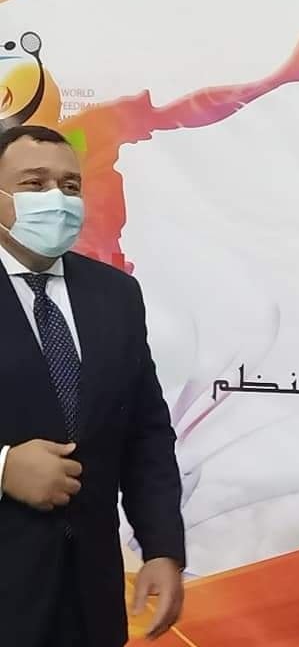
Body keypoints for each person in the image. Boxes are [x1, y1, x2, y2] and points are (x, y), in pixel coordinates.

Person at [0, 125, 185, 647]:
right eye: (34, 183)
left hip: (90, 599)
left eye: (70, 185)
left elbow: (146, 433)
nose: (55, 199)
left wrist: (162, 548)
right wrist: (3, 468)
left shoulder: (116, 293)